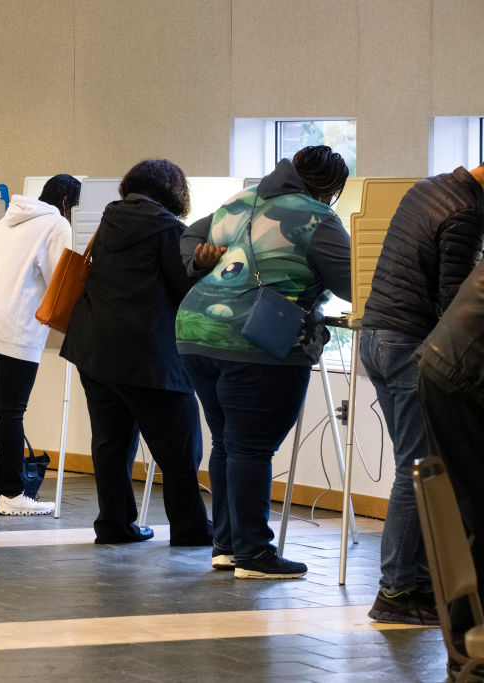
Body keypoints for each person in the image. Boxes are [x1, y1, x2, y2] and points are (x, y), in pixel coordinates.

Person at [176, 145, 351, 578]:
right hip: (257, 340)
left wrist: (198, 259)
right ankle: (254, 554)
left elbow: (189, 237)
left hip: (196, 332)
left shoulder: (241, 201)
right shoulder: (315, 217)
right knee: (252, 447)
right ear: (329, 187)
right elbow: (352, 279)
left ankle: (228, 545)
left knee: (229, 443)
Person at [61, 160, 214, 545]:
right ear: (174, 192)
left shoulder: (109, 220)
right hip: (148, 355)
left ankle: (114, 525)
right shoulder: (169, 231)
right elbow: (185, 291)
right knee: (180, 447)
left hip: (94, 349)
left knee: (110, 444)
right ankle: (191, 529)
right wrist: (206, 267)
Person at [359, 162, 484, 624]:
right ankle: (394, 593)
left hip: (375, 337)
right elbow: (456, 298)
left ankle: (416, 583)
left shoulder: (428, 188)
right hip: (410, 343)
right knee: (419, 473)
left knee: (413, 470)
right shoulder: (466, 210)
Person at [0, 174, 81, 515]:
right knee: (12, 410)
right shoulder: (57, 224)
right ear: (67, 204)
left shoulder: (8, 219)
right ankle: (13, 495)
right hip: (15, 323)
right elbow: (60, 280)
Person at [417, 259, 484, 679]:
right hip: (462, 376)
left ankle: (468, 649)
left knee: (475, 515)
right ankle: (470, 653)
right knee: (479, 514)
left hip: (452, 366)